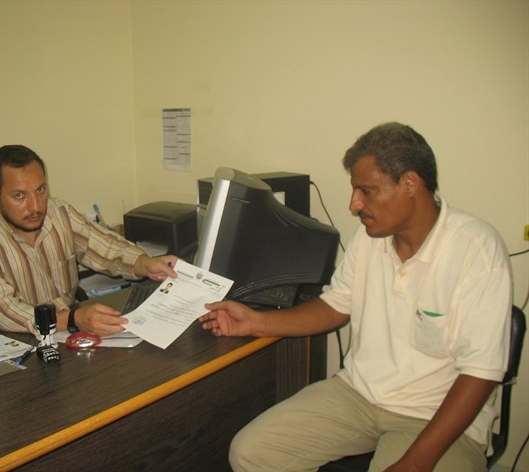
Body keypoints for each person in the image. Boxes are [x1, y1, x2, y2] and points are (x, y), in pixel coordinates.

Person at [199, 122, 512, 472]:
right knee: (251, 452)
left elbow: (480, 372)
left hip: (435, 413)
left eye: (367, 190)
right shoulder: (369, 238)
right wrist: (256, 322)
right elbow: (335, 306)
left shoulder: (476, 249)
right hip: (358, 395)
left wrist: (414, 463)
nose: (354, 204)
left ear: (410, 183)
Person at [0, 144, 178, 336]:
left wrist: (145, 263)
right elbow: (7, 313)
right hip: (4, 346)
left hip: (63, 335)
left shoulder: (59, 213)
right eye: (19, 196)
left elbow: (107, 248)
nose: (35, 206)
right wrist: (72, 319)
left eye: (40, 190)